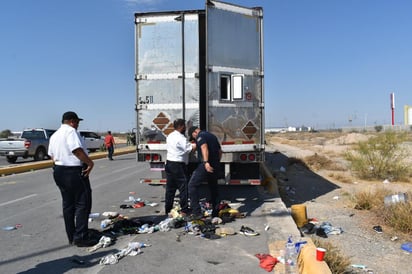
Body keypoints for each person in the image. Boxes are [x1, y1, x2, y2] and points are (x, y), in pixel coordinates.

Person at [48, 111, 97, 247]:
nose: (78, 125)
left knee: (68, 204)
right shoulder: (70, 132)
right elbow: (76, 150)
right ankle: (81, 237)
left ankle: (72, 236)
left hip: (59, 171)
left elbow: (51, 155)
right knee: (83, 203)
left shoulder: (55, 135)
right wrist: (89, 163)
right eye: (77, 122)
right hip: (73, 171)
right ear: (71, 121)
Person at [187, 126, 222, 219]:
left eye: (193, 137)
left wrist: (206, 162)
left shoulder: (200, 136)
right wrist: (217, 162)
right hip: (215, 164)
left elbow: (204, 147)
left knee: (192, 185)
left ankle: (196, 212)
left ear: (194, 132)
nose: (194, 139)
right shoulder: (212, 136)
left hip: (207, 165)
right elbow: (220, 151)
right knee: (213, 187)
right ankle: (216, 212)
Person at [165, 119, 196, 216]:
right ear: (182, 126)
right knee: (183, 187)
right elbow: (189, 149)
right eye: (185, 126)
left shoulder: (170, 136)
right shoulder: (181, 138)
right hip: (178, 165)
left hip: (169, 164)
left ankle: (168, 209)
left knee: (170, 188)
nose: (186, 128)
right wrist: (197, 144)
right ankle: (185, 209)